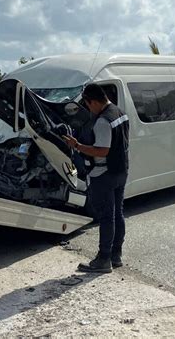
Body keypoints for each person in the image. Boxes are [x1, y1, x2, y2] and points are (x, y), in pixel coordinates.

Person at [63, 84, 129, 273]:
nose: (88, 109)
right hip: (120, 170)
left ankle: (104, 259)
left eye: (88, 105)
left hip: (103, 174)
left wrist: (77, 145)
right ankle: (116, 256)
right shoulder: (120, 113)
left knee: (107, 217)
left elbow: (102, 150)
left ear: (93, 101)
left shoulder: (103, 121)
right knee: (117, 214)